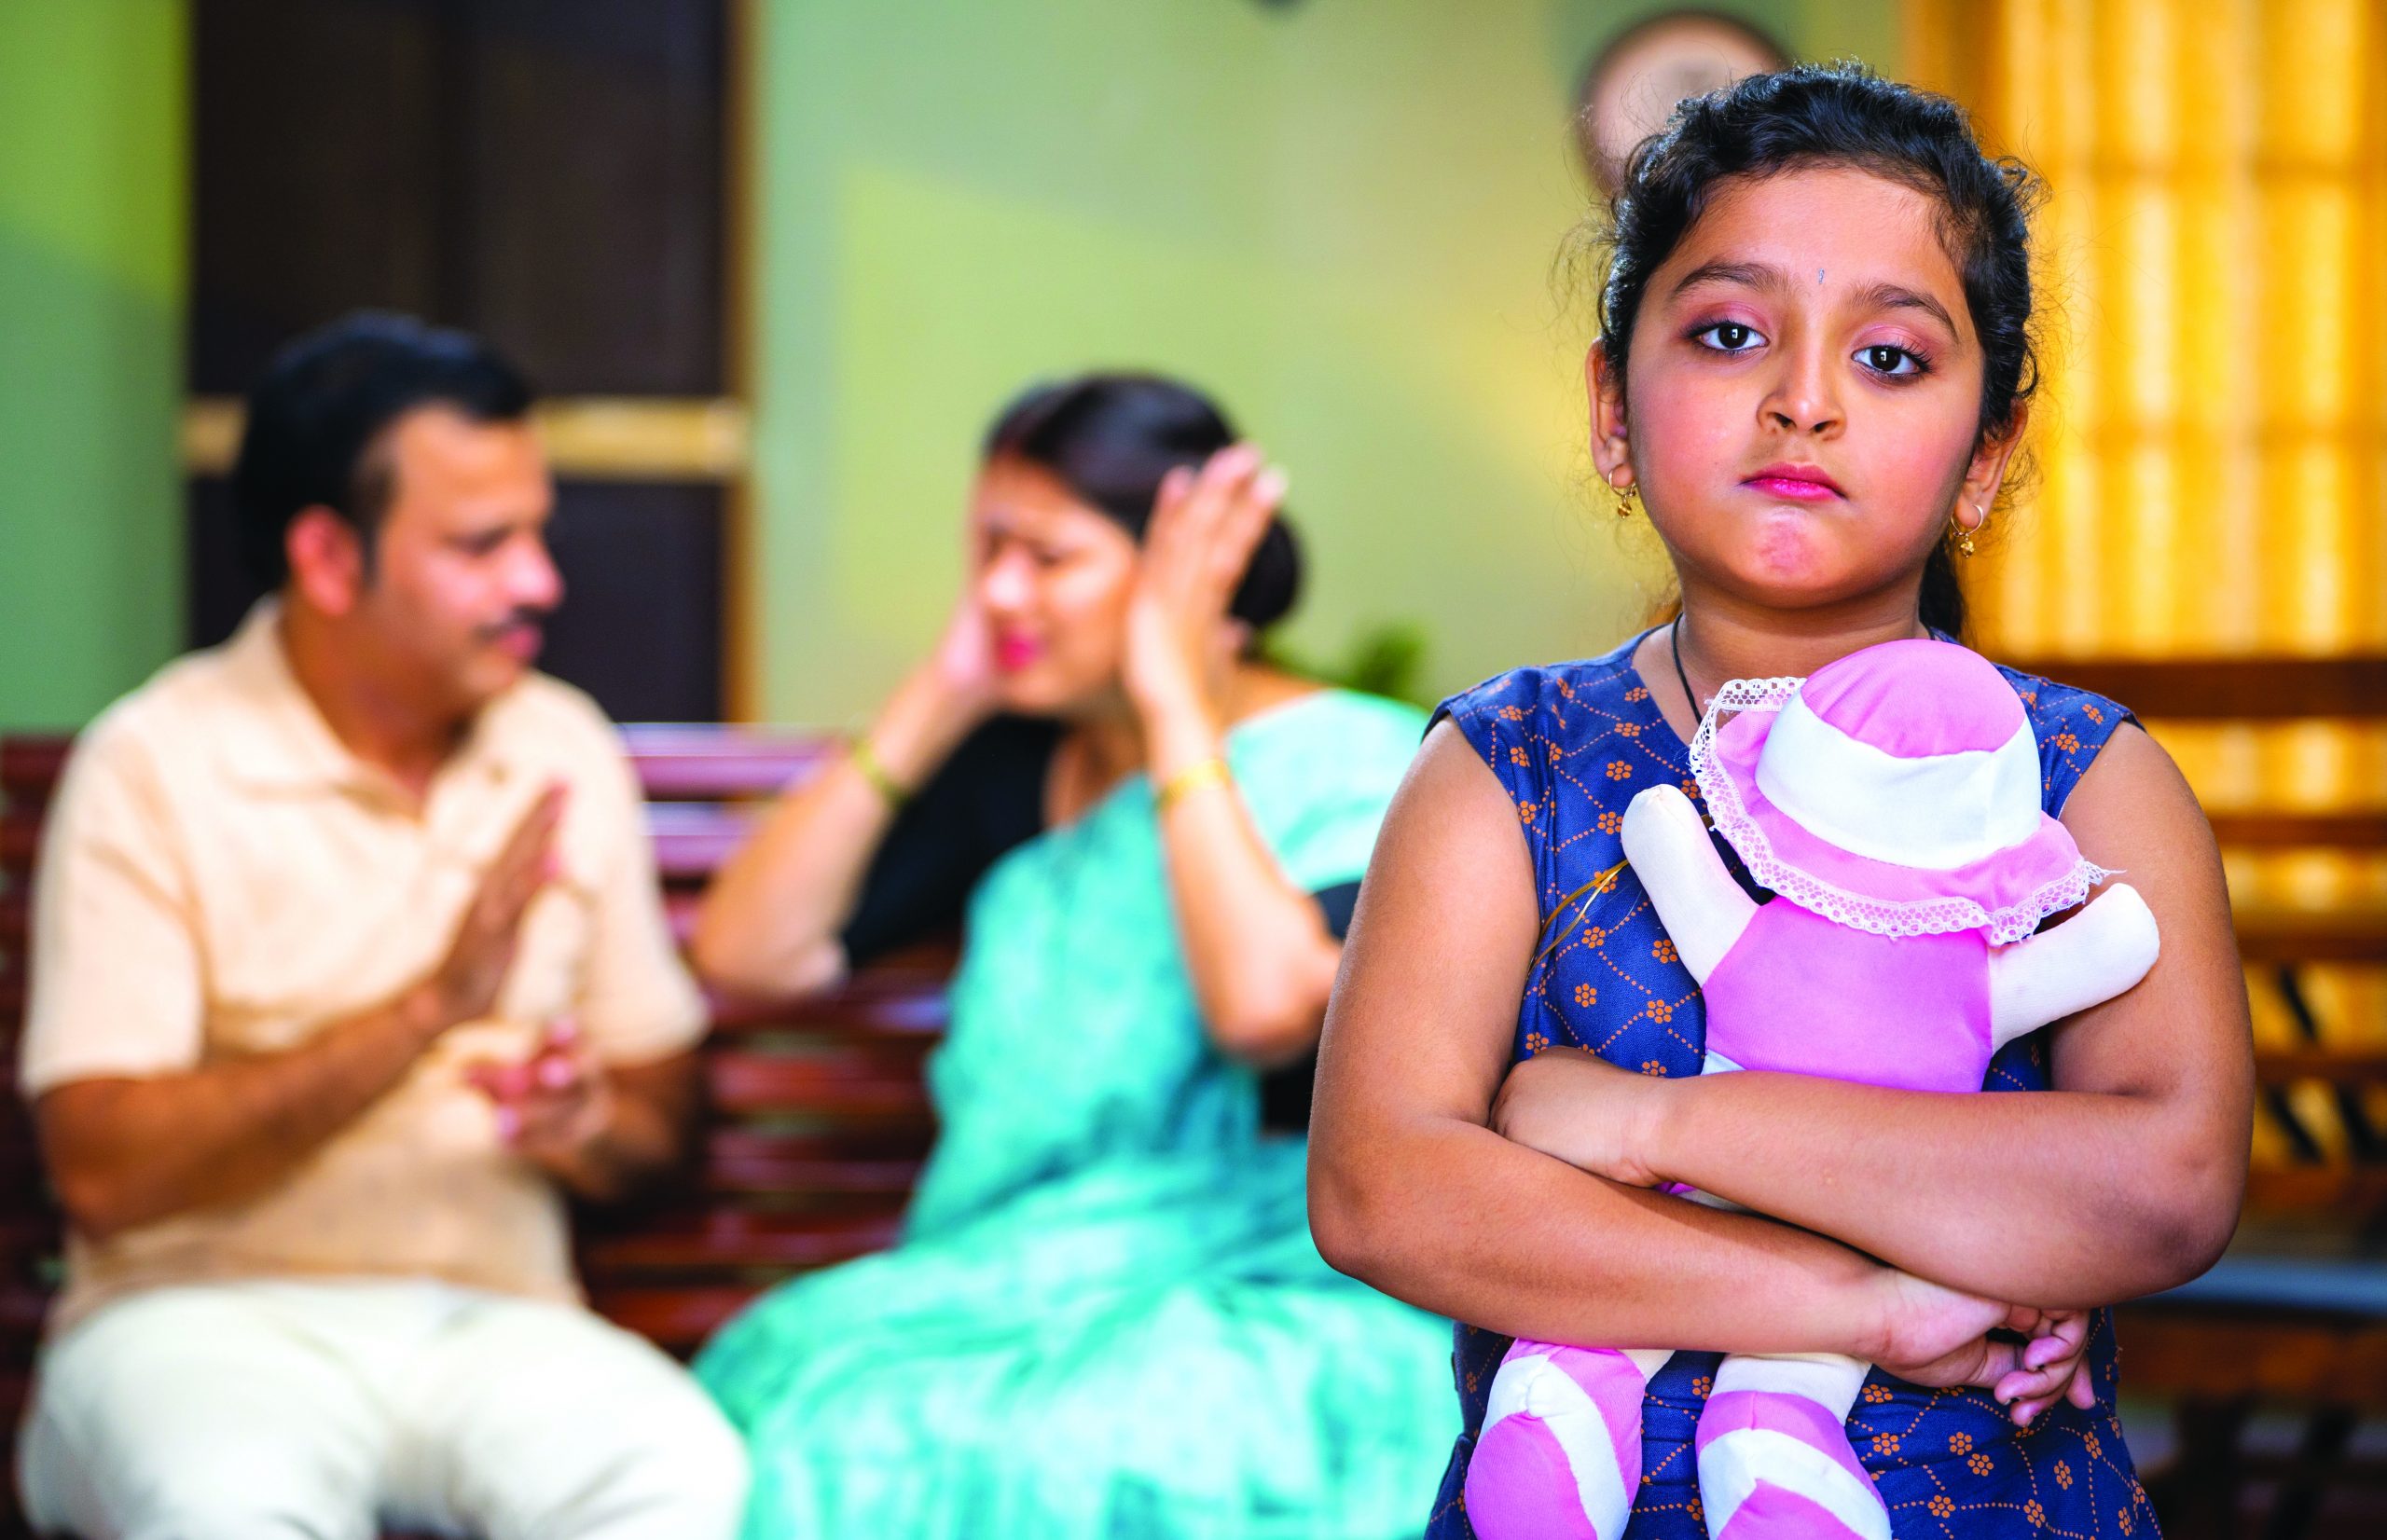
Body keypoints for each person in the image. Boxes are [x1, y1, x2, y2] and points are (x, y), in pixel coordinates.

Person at [1308, 66, 2254, 1538]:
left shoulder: (2087, 776)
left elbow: (2162, 1185)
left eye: (1889, 358)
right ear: (1615, 412)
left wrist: (1633, 1126)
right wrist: (1867, 1303)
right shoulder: (1509, 763)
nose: (1803, 399)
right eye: (1731, 333)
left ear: (1985, 457)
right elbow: (1385, 1189)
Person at [16, 312, 748, 1540]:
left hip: (501, 1326)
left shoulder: (560, 746)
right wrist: (425, 1014)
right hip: (198, 1324)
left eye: (536, 534)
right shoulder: (154, 764)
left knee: (686, 1482)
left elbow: (663, 1115)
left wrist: (592, 1124)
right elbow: (101, 1170)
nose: (539, 583)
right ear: (327, 558)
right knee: (225, 1509)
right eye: (482, 544)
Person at [691, 373, 1458, 1539]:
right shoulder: (1019, 764)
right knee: (788, 1395)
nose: (1000, 590)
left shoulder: (1364, 765)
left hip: (1270, 1291)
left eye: (1044, 557)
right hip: (1003, 1281)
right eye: (984, 551)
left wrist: (1171, 707)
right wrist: (947, 681)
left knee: (1104, 1444)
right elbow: (750, 947)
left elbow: (1263, 1003)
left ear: (1175, 572)